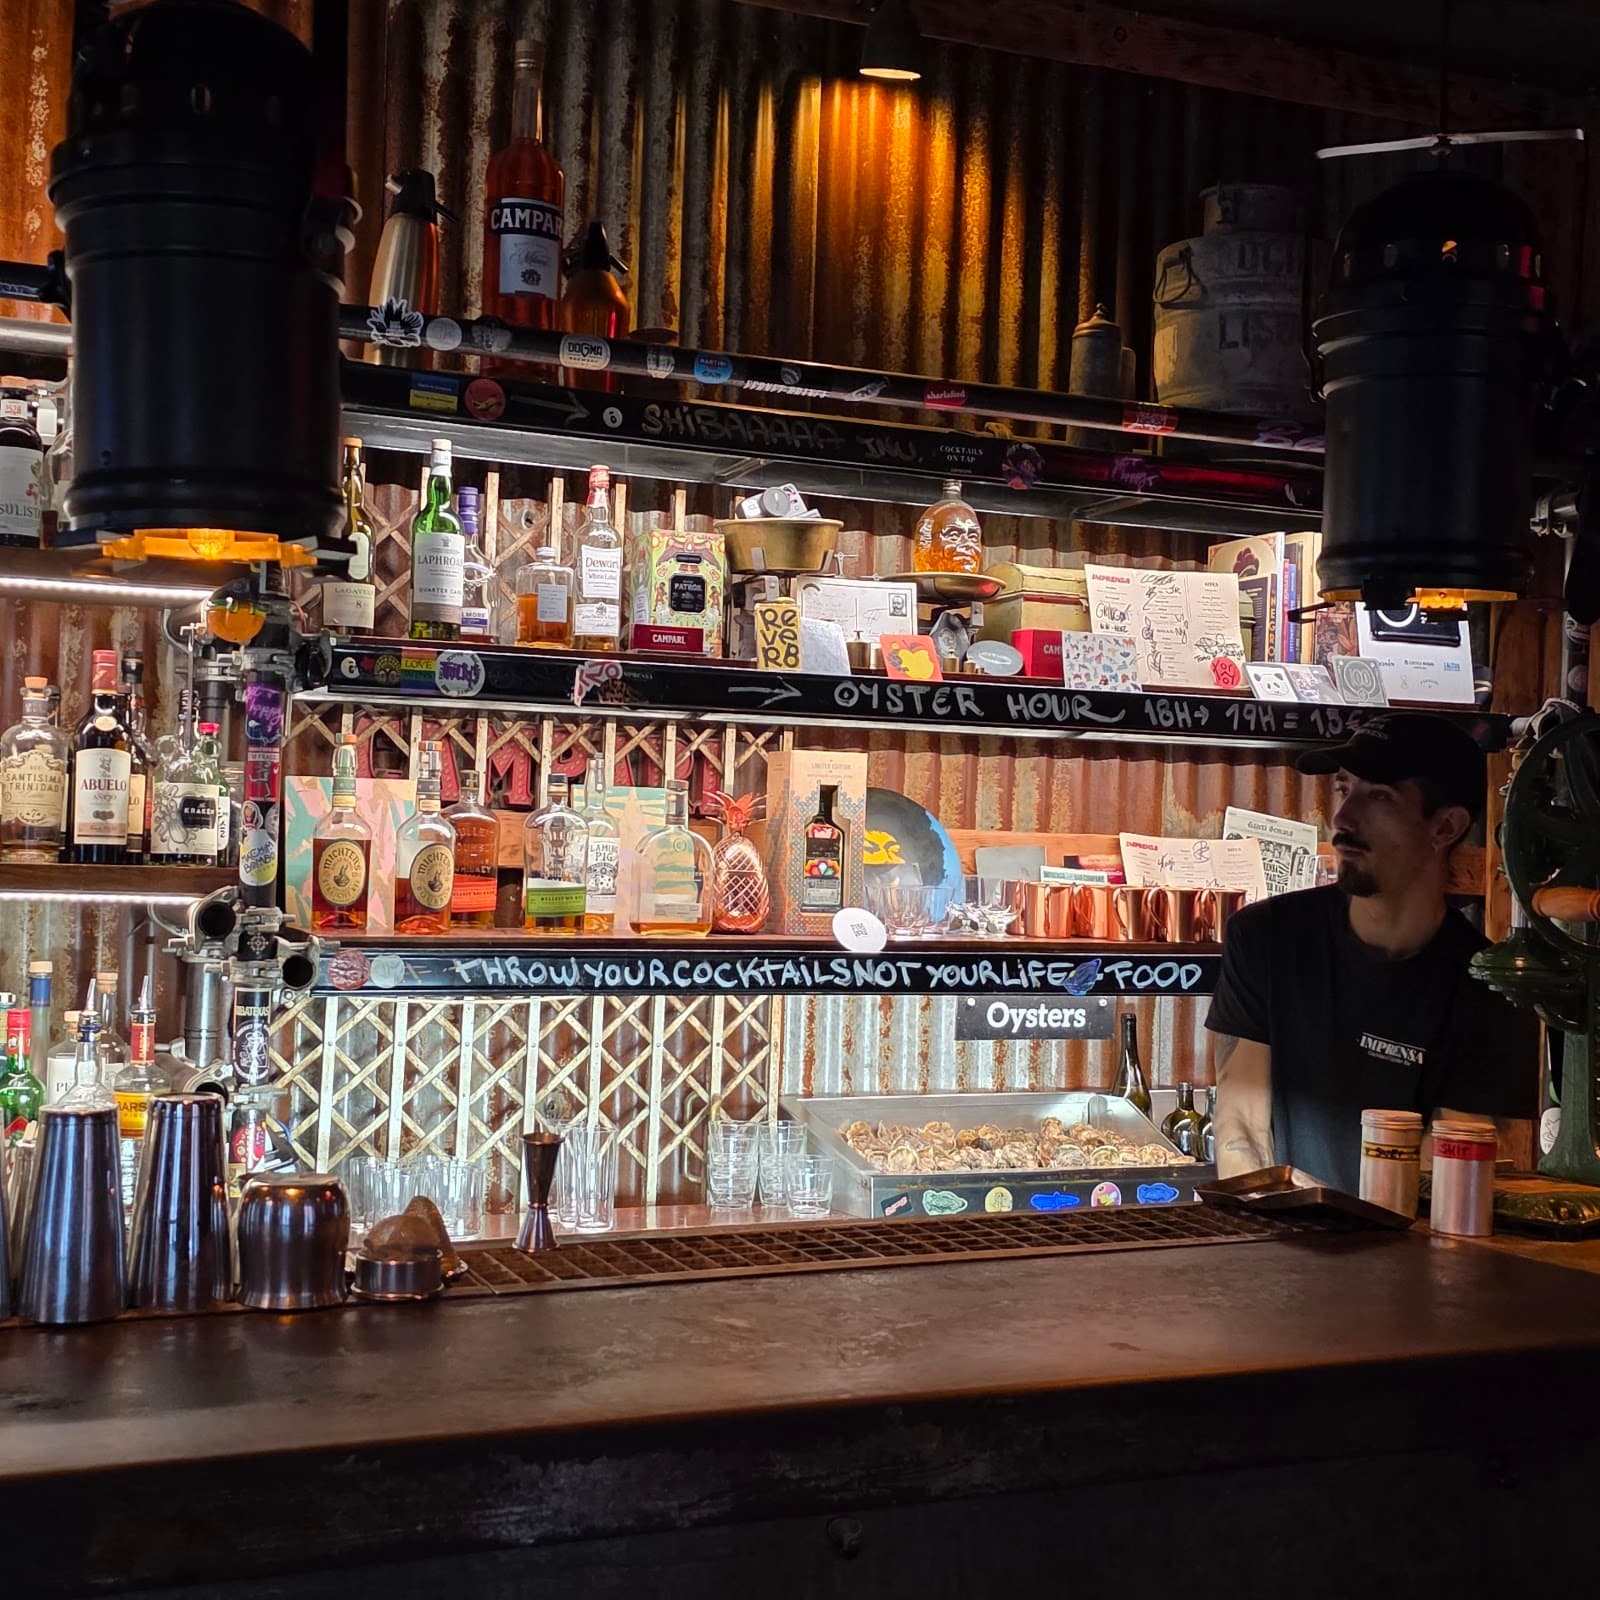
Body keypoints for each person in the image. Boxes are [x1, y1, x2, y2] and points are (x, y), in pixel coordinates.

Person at [1206, 712, 1536, 1193]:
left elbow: (1447, 1176)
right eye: (1344, 789)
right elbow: (1240, 1128)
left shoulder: (1491, 989)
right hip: (1280, 1244)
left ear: (1445, 826)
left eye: (1378, 796)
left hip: (1411, 1257)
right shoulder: (1264, 938)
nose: (1342, 819)